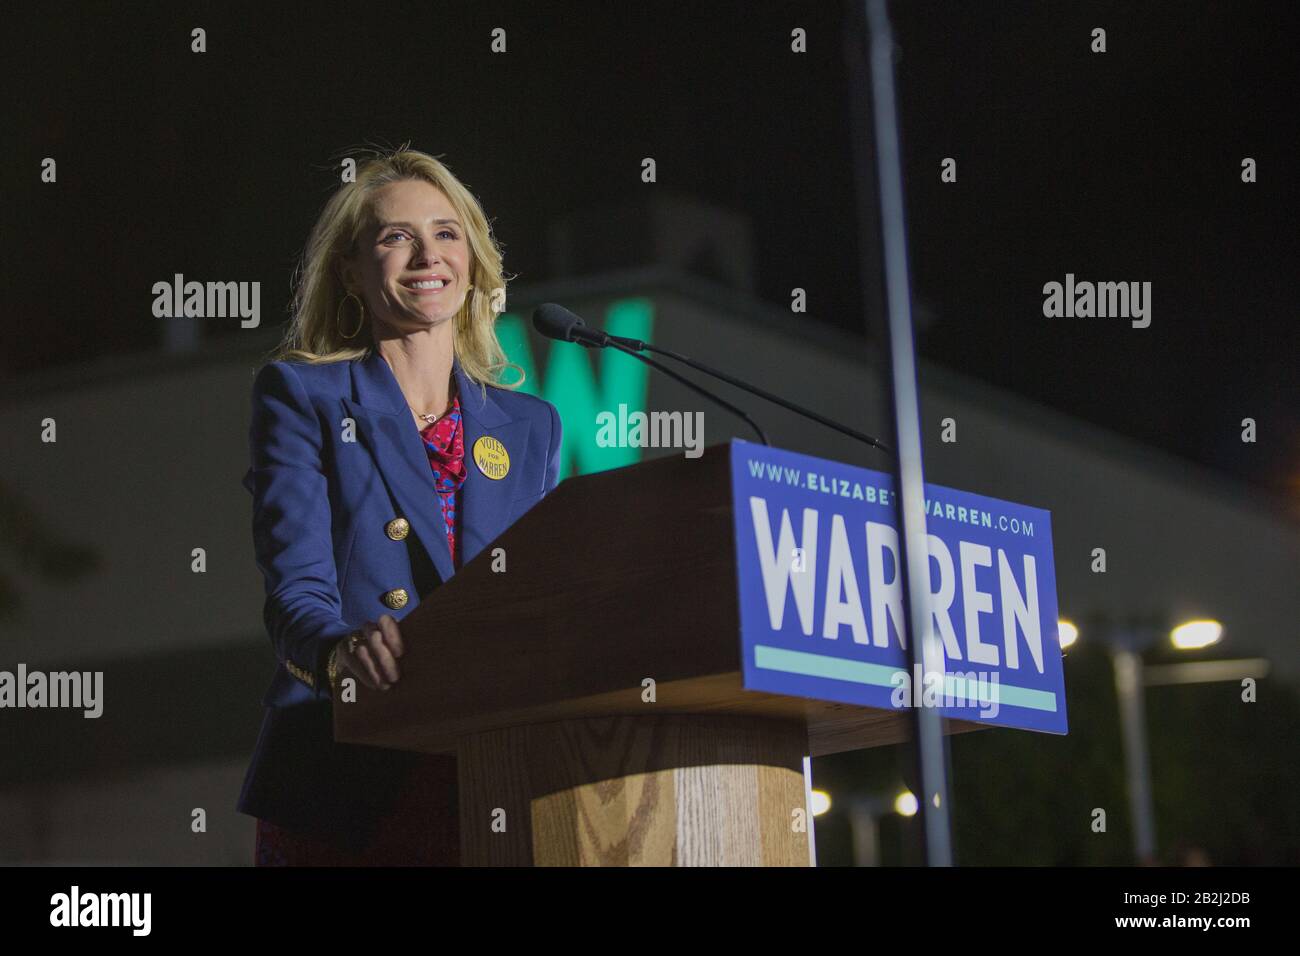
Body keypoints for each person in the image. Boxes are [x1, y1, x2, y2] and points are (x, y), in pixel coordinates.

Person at [237, 147, 563, 865]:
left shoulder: (533, 425)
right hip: (344, 773)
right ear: (351, 271)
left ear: (473, 261)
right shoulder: (301, 397)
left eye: (447, 233)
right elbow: (295, 592)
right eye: (394, 237)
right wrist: (338, 650)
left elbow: (541, 603)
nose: (427, 254)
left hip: (487, 765)